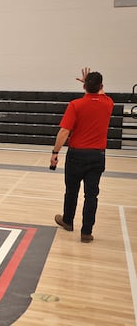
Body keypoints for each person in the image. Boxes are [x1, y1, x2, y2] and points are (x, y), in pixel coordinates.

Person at [50, 67, 113, 243]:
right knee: (91, 195)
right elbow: (100, 93)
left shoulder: (75, 105)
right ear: (101, 86)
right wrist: (91, 84)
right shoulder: (108, 103)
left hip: (76, 155)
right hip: (97, 156)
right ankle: (86, 232)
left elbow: (64, 131)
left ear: (84, 86)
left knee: (71, 190)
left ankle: (68, 221)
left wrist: (55, 152)